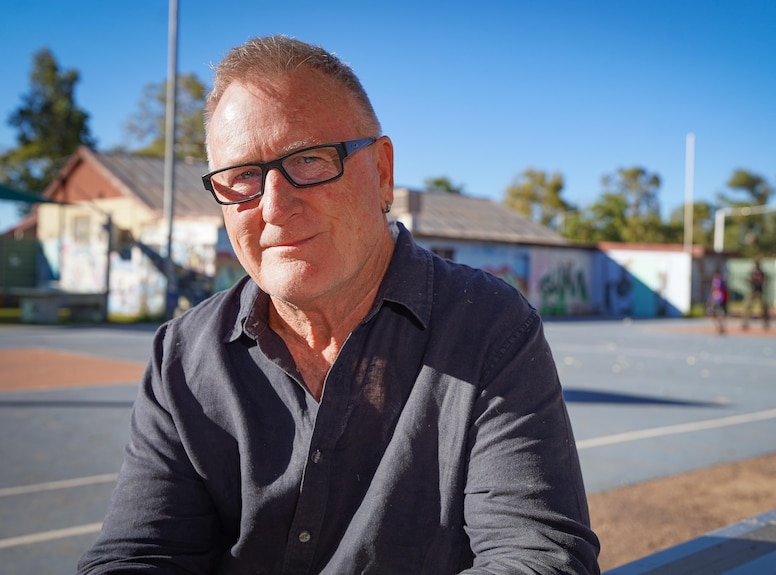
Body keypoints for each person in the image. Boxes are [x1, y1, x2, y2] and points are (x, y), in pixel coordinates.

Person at [78, 36, 600, 574]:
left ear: (382, 173)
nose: (274, 208)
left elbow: (540, 557)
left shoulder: (488, 327)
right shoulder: (183, 357)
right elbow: (138, 556)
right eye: (242, 179)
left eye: (308, 160)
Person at [742, 259, 769, 330]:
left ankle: (765, 323)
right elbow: (749, 280)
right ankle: (745, 323)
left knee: (764, 308)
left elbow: (766, 280)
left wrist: (761, 280)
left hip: (760, 291)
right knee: (747, 307)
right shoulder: (752, 272)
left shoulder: (761, 273)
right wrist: (748, 280)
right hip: (753, 291)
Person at [708, 268, 728, 334]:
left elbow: (717, 290)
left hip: (719, 300)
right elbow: (713, 291)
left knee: (719, 314)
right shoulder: (716, 281)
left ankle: (721, 327)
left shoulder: (720, 281)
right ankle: (719, 327)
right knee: (715, 314)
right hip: (716, 300)